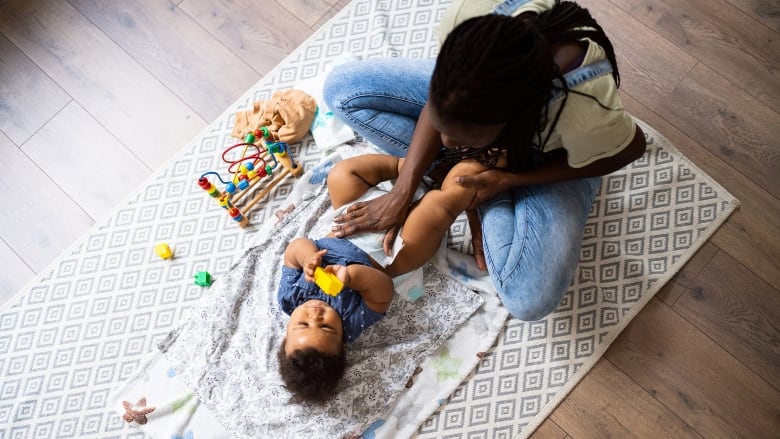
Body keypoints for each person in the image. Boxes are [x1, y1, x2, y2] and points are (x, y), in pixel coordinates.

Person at [322, 0, 647, 322]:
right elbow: (443, 102)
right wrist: (402, 188)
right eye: (444, 128)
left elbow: (628, 149)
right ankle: (467, 178)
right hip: (473, 106)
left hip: (549, 155)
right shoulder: (470, 18)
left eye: (464, 140)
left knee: (529, 299)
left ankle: (479, 180)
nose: (447, 143)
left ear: (509, 122)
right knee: (342, 89)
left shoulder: (583, 105)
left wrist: (510, 179)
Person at [277, 154, 489, 403]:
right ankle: (460, 181)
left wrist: (308, 258)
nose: (315, 315)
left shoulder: (290, 297)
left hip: (350, 218)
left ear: (287, 332)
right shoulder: (350, 323)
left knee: (341, 175)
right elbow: (382, 292)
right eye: (326, 327)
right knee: (436, 207)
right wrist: (351, 277)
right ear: (341, 341)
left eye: (302, 324)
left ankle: (408, 166)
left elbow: (293, 250)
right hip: (392, 252)